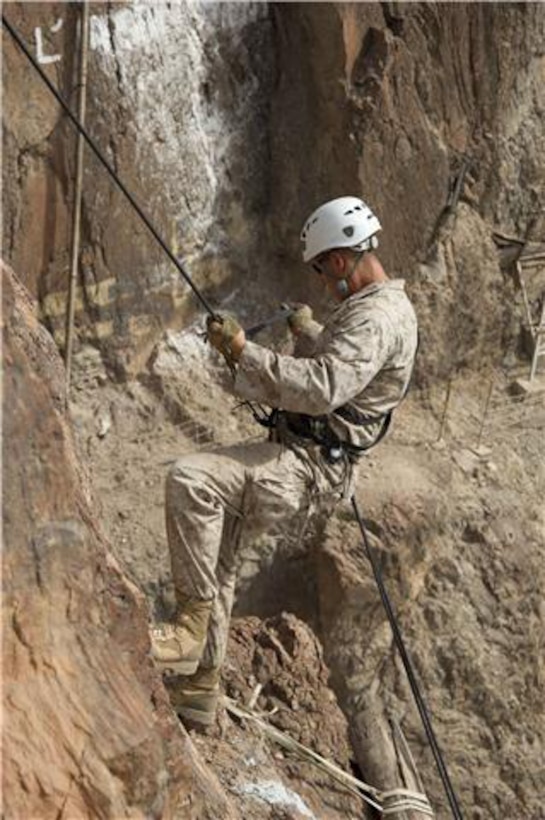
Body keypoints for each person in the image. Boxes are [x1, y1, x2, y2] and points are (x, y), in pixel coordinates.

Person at [150, 196, 418, 728]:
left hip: (308, 467)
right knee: (218, 554)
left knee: (192, 481)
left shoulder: (376, 318)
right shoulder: (373, 311)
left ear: (339, 261)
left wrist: (244, 352)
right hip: (308, 456)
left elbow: (324, 387)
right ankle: (199, 690)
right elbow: (346, 369)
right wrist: (308, 333)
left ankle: (185, 643)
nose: (322, 282)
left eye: (322, 269)